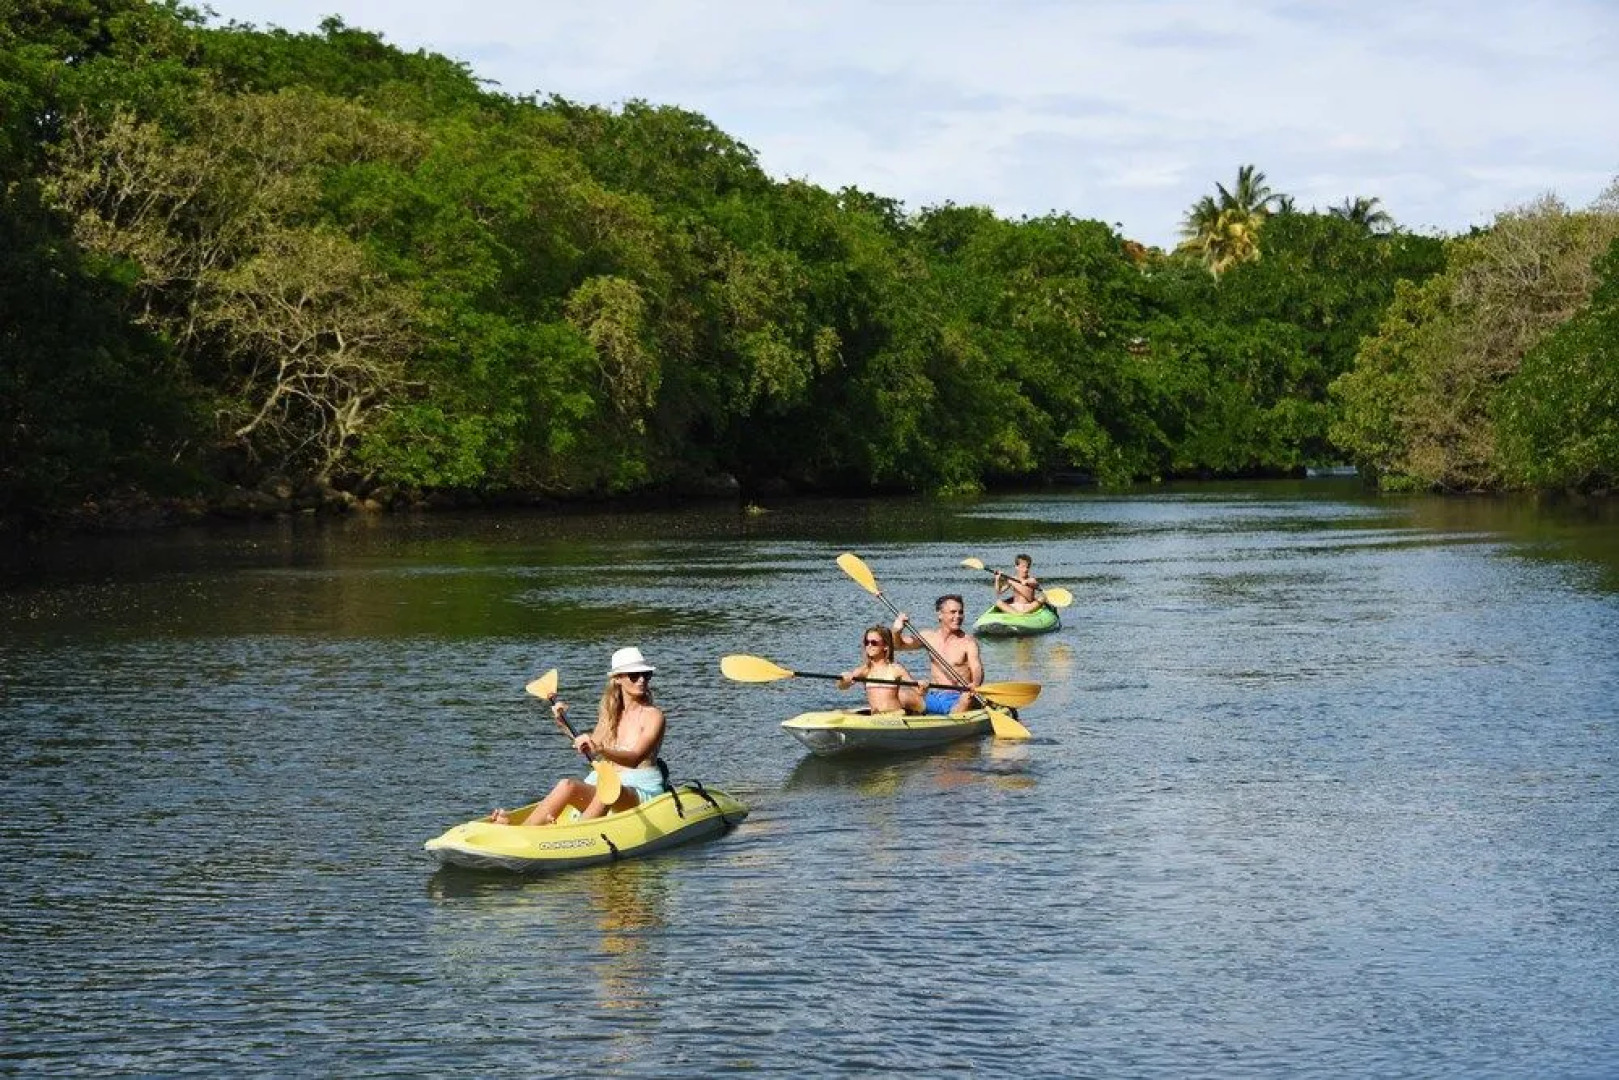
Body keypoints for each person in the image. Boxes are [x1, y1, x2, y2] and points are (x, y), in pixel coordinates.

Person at [489, 646, 667, 825]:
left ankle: (575, 835)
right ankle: (523, 830)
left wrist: (600, 749)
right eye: (634, 676)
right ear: (618, 679)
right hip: (605, 782)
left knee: (607, 791)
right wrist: (562, 722)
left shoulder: (654, 716)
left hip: (639, 790)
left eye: (646, 675)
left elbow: (634, 759)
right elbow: (589, 747)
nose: (642, 680)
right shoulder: (610, 714)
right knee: (567, 785)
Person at [891, 594, 983, 714]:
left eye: (960, 612)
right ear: (940, 614)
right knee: (899, 694)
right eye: (953, 612)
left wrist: (975, 684)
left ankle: (954, 720)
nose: (958, 616)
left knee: (966, 698)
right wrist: (896, 631)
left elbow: (977, 668)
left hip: (958, 698)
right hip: (933, 696)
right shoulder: (929, 637)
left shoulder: (968, 642)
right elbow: (899, 645)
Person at [836, 625, 927, 714]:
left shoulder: (896, 669)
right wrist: (844, 680)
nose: (869, 646)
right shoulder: (865, 670)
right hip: (876, 717)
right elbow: (842, 687)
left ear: (885, 646)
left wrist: (923, 686)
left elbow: (919, 691)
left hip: (896, 715)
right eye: (866, 642)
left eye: (874, 643)